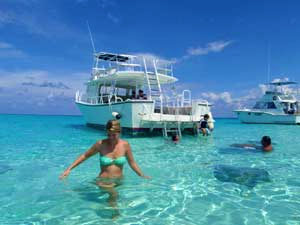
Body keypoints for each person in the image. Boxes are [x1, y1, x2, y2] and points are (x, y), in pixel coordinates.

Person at [60, 120, 150, 211]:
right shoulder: (100, 144)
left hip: (119, 181)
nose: (110, 138)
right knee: (113, 196)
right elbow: (85, 156)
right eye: (108, 134)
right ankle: (114, 217)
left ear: (119, 132)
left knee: (110, 197)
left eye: (113, 135)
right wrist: (69, 169)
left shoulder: (125, 145)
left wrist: (141, 175)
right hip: (103, 180)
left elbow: (132, 163)